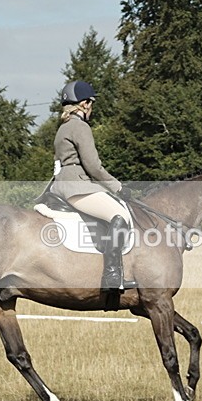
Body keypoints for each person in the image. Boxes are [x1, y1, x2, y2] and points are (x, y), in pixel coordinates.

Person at [49, 80, 136, 292]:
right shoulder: (80, 127)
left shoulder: (63, 128)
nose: (92, 108)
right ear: (85, 104)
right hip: (77, 186)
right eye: (92, 103)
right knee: (120, 215)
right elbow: (93, 166)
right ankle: (112, 276)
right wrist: (117, 187)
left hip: (61, 184)